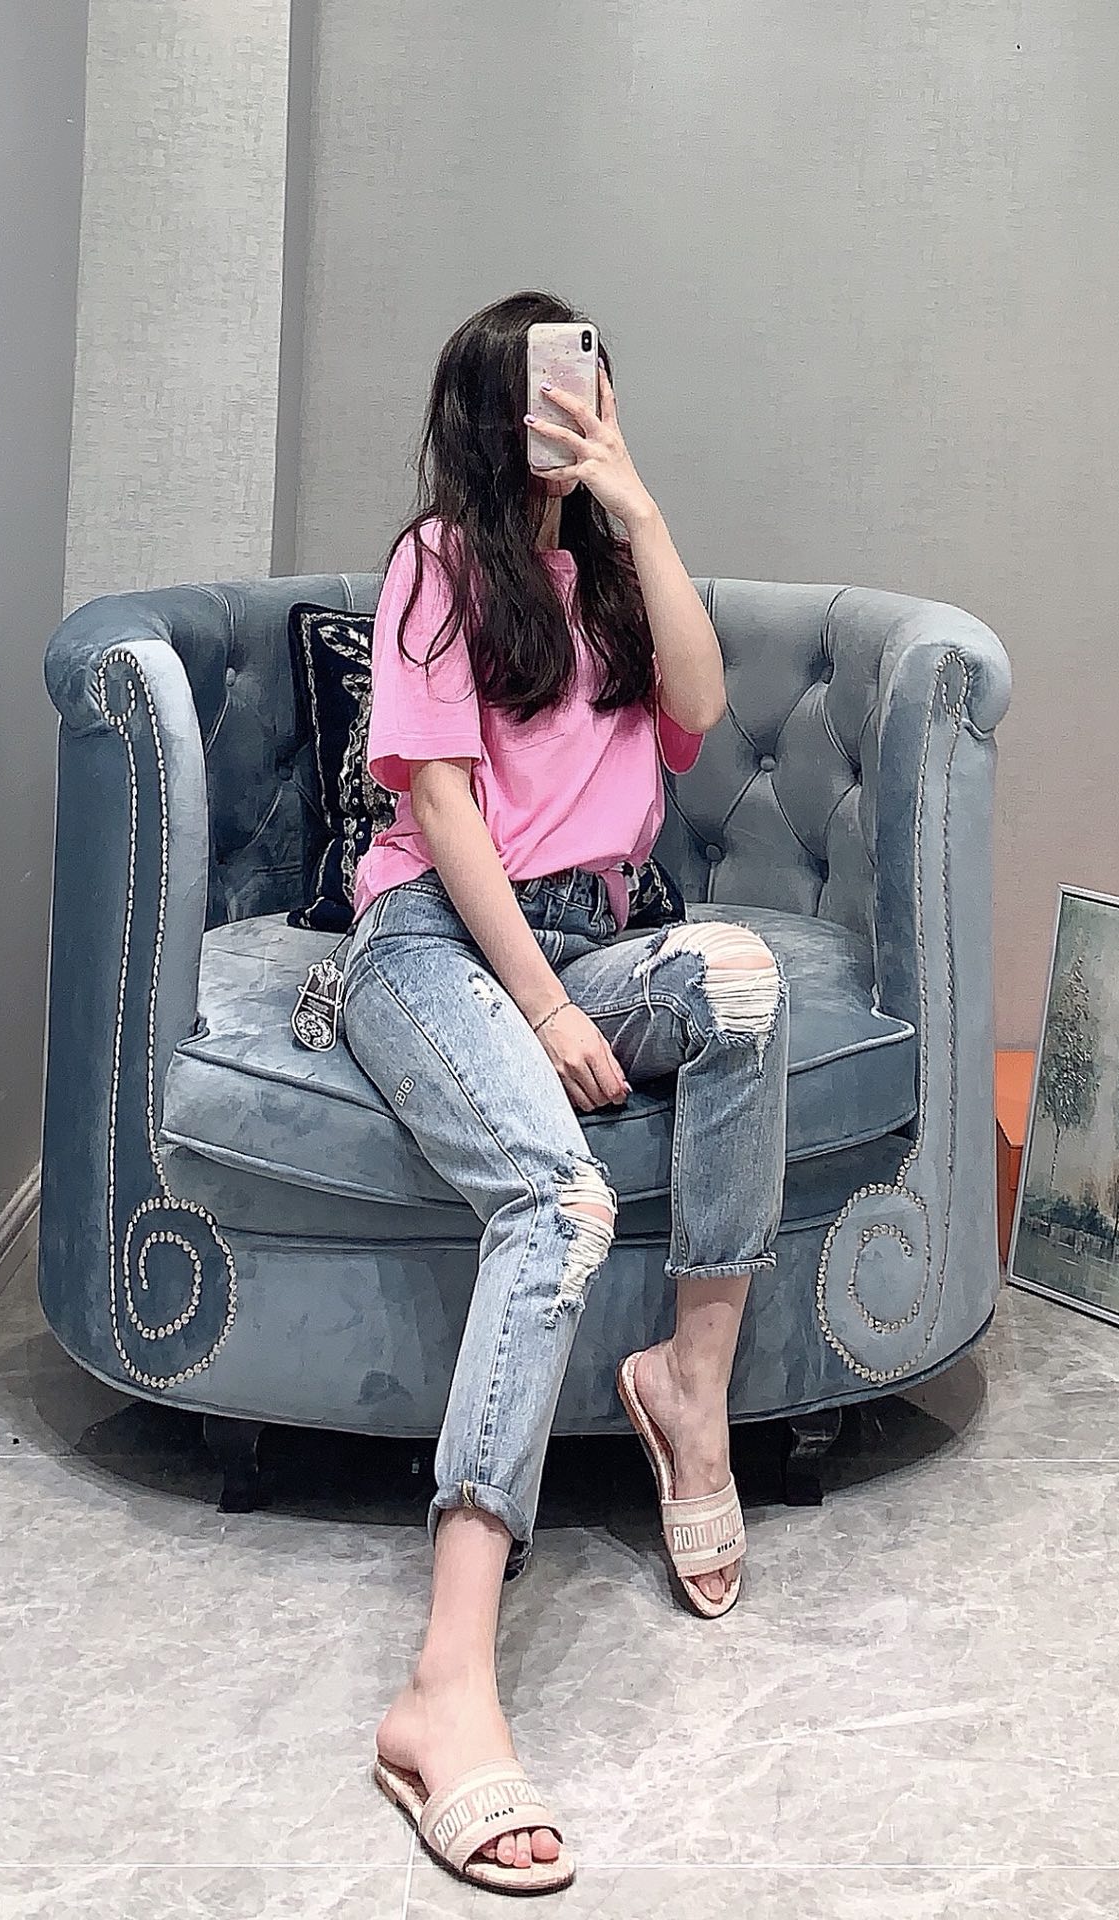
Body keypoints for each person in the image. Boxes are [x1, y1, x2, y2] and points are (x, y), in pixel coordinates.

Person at [341, 291, 790, 1894]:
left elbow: (696, 710)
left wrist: (635, 503)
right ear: (487, 407)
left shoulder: (603, 574)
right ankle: (443, 1686)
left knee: (744, 982)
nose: (566, 405)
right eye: (539, 388)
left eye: (588, 381)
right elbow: (444, 807)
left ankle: (689, 1387)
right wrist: (534, 1008)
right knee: (557, 1198)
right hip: (431, 940)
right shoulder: (433, 565)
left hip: (600, 936)